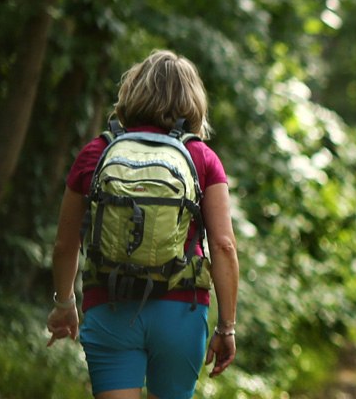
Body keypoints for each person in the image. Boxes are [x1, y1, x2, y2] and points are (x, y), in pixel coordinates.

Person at [45, 50, 241, 399]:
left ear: (133, 91)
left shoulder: (97, 152)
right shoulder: (202, 158)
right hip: (182, 310)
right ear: (193, 101)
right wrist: (226, 327)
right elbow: (224, 245)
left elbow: (65, 244)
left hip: (110, 303)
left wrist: (64, 304)